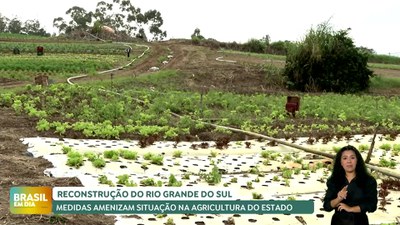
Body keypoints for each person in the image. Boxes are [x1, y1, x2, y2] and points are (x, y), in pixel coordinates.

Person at [323, 145, 377, 225]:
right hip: (339, 222)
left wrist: (351, 209)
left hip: (360, 222)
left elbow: (372, 205)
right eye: (345, 158)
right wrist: (338, 198)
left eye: (352, 158)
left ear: (357, 160)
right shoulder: (333, 181)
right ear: (340, 162)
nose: (349, 161)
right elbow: (327, 206)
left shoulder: (368, 181)